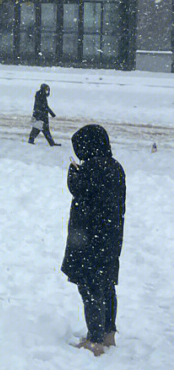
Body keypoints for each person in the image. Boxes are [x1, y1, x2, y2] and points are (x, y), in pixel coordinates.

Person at [60, 124, 126, 356]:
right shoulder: (115, 167)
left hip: (90, 239)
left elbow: (79, 189)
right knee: (106, 286)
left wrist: (72, 172)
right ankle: (108, 335)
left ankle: (95, 340)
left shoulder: (92, 168)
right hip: (110, 237)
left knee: (90, 288)